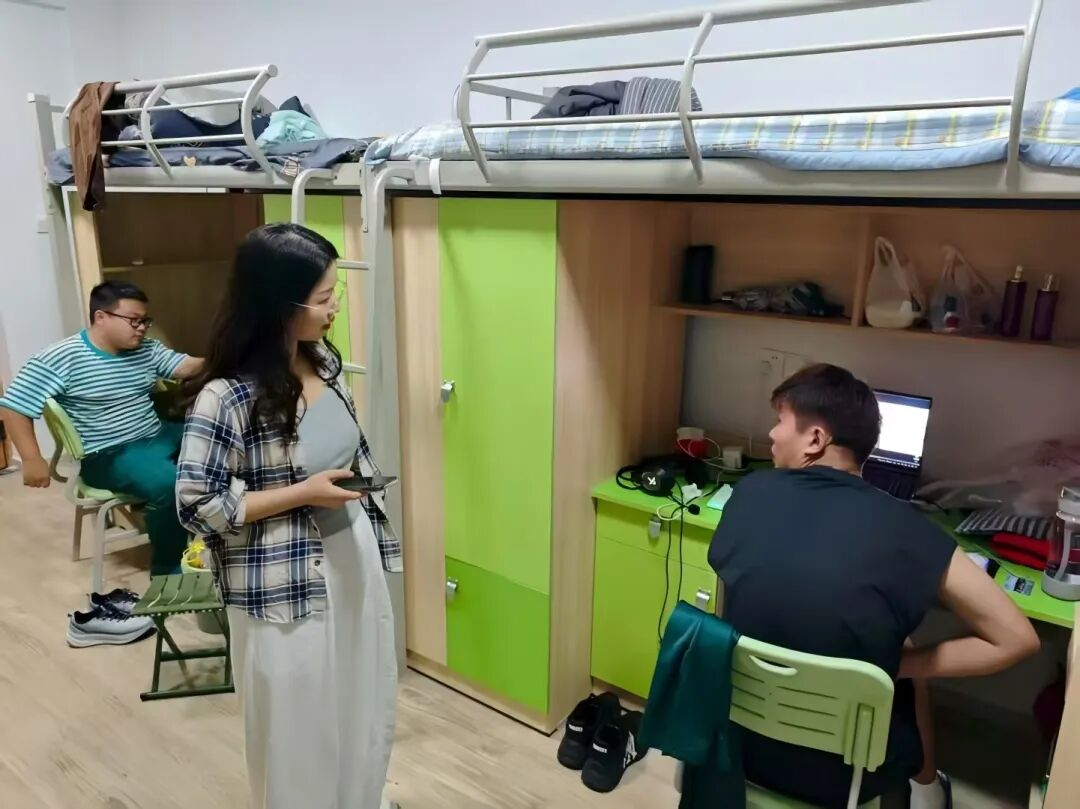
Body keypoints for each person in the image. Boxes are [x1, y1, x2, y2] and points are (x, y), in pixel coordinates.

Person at [708, 363, 1039, 809]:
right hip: (850, 776)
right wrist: (898, 666)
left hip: (735, 747)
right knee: (897, 647)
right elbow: (1017, 639)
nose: (771, 434)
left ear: (815, 439)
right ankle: (927, 792)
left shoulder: (750, 493)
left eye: (780, 420)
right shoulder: (908, 529)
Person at [175, 223, 401, 809]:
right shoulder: (226, 397)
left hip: (350, 556)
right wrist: (302, 493)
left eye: (334, 293)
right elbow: (197, 505)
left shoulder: (322, 362)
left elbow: (341, 450)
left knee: (359, 702)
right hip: (280, 583)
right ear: (280, 304)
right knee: (296, 734)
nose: (335, 308)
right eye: (324, 298)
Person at [0, 280, 202, 580]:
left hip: (155, 435)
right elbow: (14, 406)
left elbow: (186, 367)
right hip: (108, 454)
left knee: (222, 441)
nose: (142, 328)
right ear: (101, 317)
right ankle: (168, 573)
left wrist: (232, 355)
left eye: (145, 321)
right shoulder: (61, 357)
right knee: (168, 484)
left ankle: (221, 535)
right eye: (134, 320)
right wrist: (31, 458)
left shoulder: (146, 349)